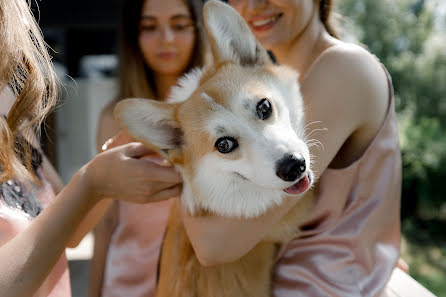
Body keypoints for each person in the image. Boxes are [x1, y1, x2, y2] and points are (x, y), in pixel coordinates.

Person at [175, 0, 435, 296]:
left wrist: (183, 165)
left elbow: (213, 245)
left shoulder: (343, 69)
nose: (254, 5)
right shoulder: (270, 84)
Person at [0, 1, 182, 297]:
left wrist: (102, 179)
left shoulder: (12, 107)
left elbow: (69, 231)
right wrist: (92, 181)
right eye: (149, 27)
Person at [88, 0, 206, 296]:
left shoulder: (218, 116)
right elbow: (106, 222)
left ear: (198, 31)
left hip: (199, 282)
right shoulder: (113, 118)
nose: (166, 39)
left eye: (179, 25)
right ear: (133, 37)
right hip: (127, 282)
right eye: (149, 27)